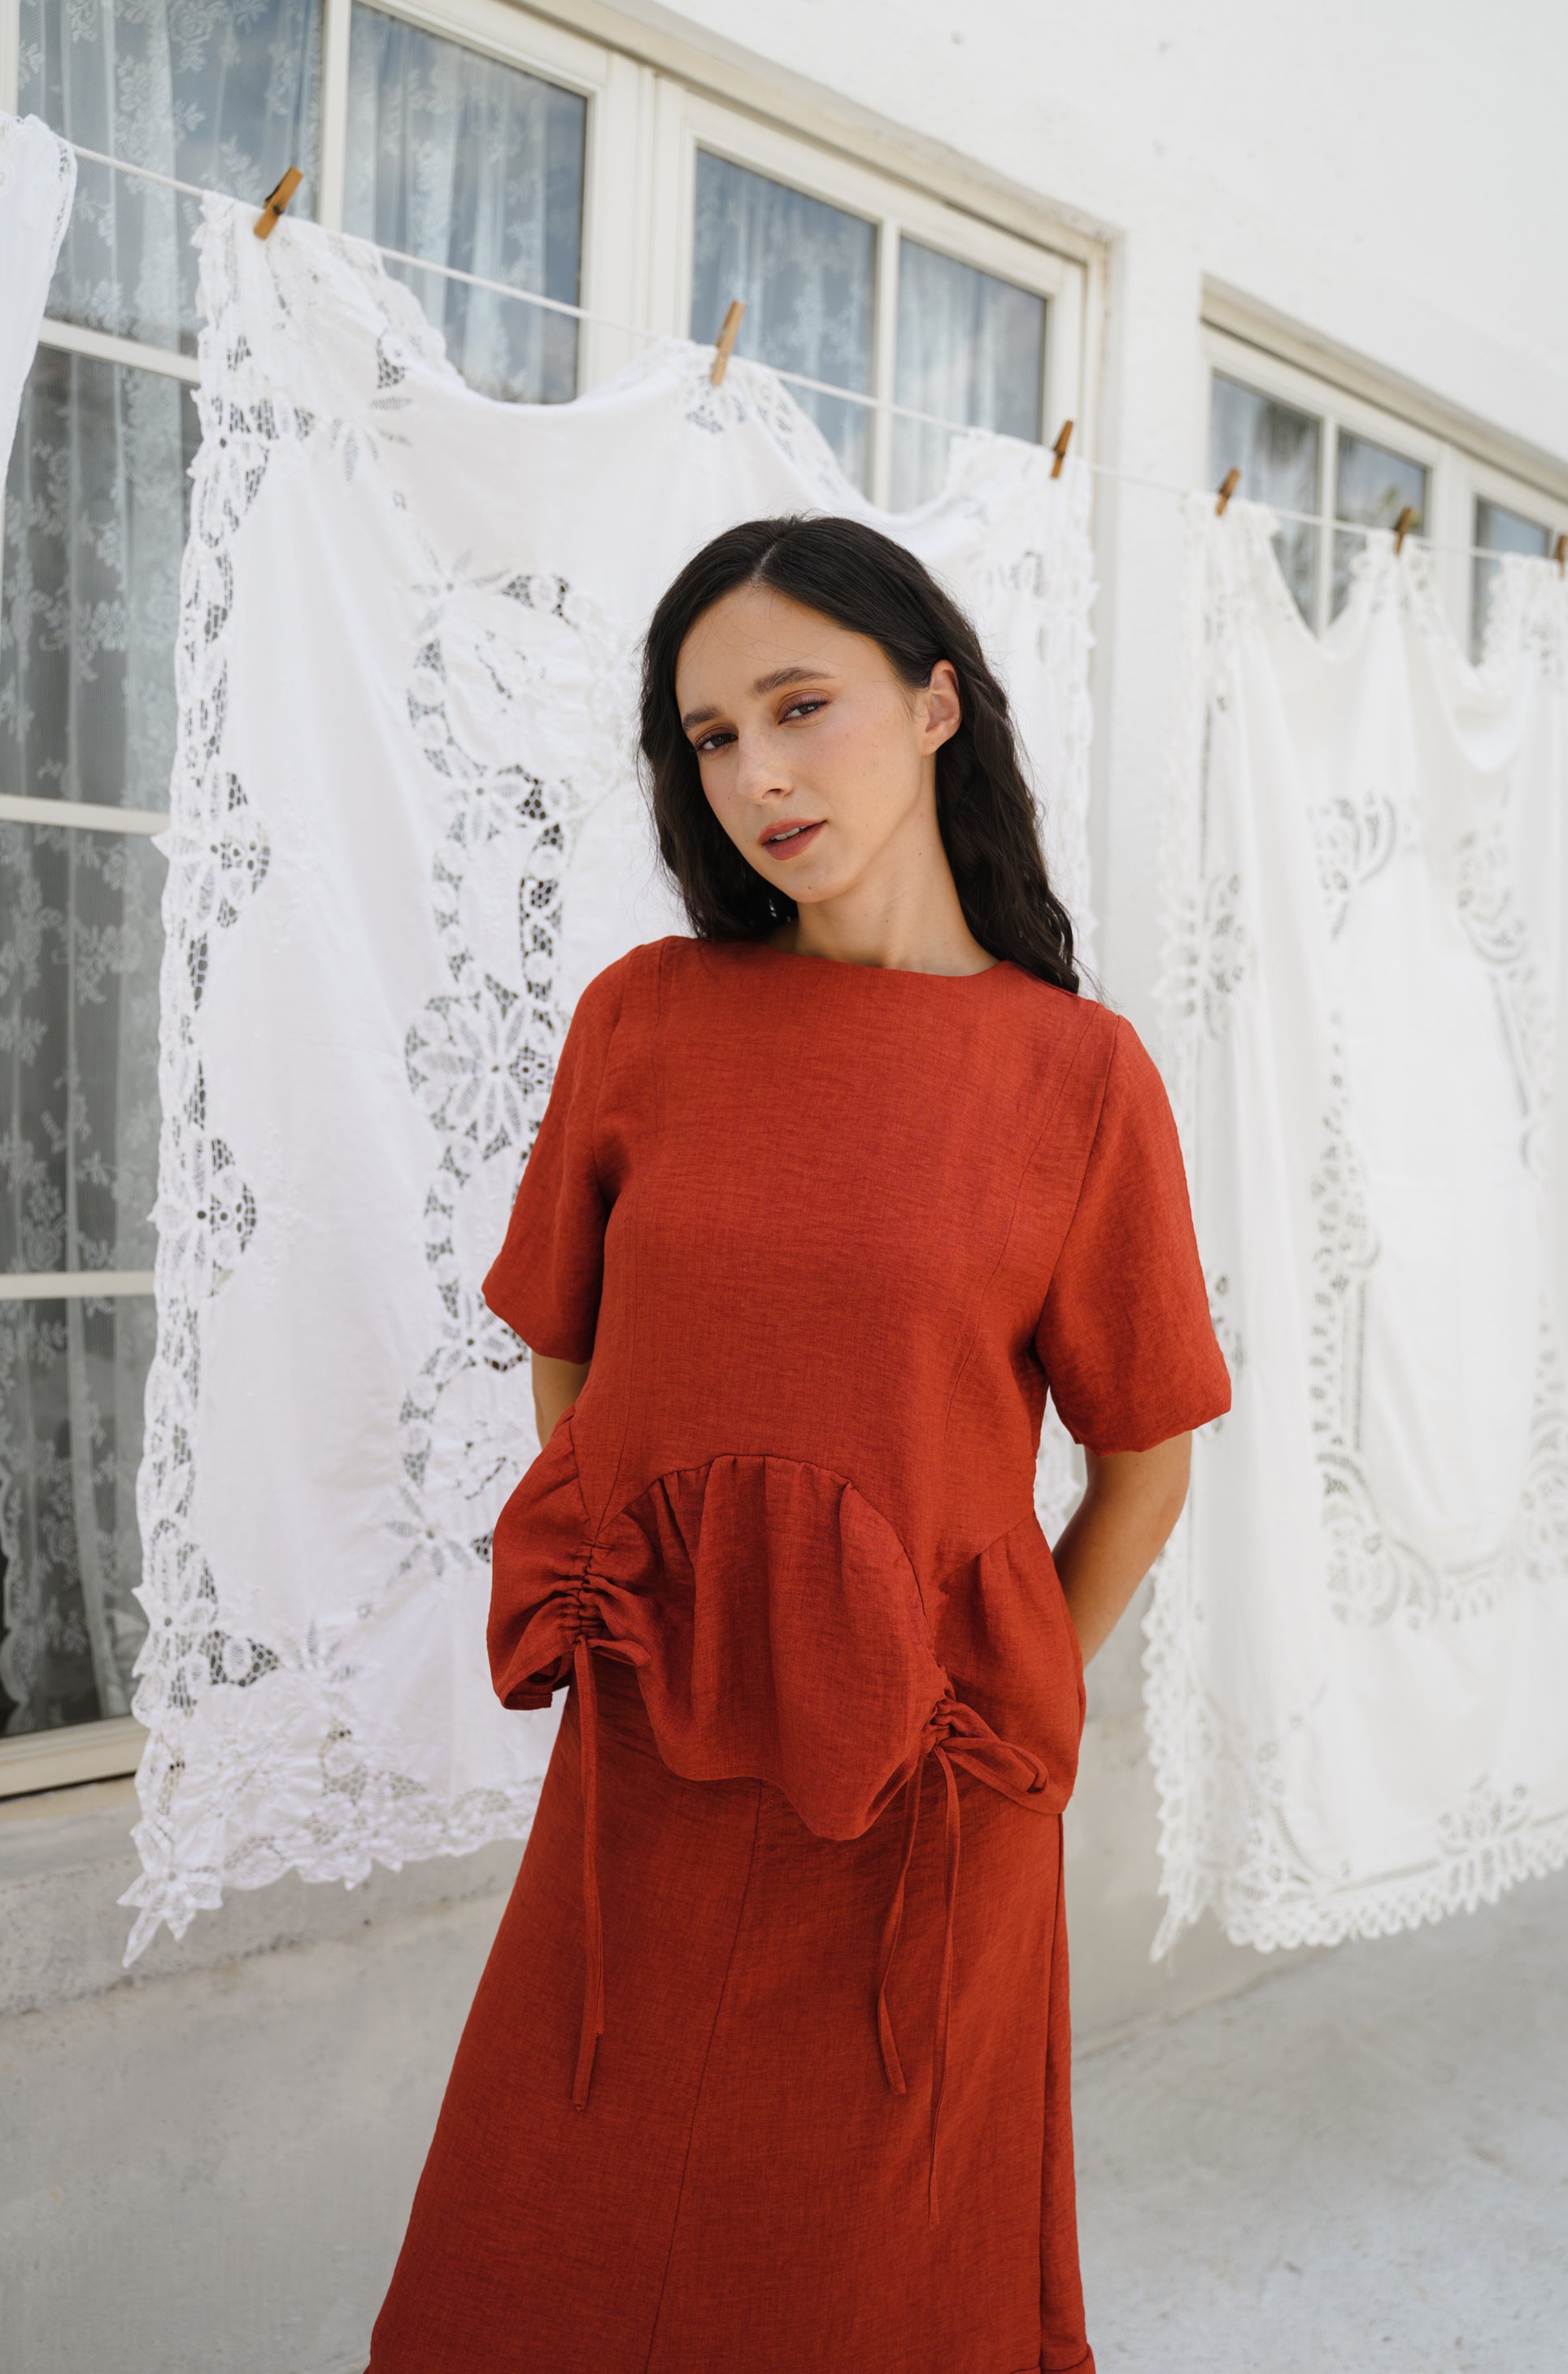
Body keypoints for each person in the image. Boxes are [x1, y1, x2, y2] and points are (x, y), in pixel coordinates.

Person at [368, 516, 1230, 2373]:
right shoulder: (646, 1016)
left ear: (933, 706)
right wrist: (649, 1583)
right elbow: (569, 1342)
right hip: (648, 1776)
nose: (755, 772)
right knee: (542, 2247)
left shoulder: (1077, 1079)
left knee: (866, 2287)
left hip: (920, 1810)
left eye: (797, 706)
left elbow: (1144, 1461)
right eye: (709, 736)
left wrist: (983, 1692)